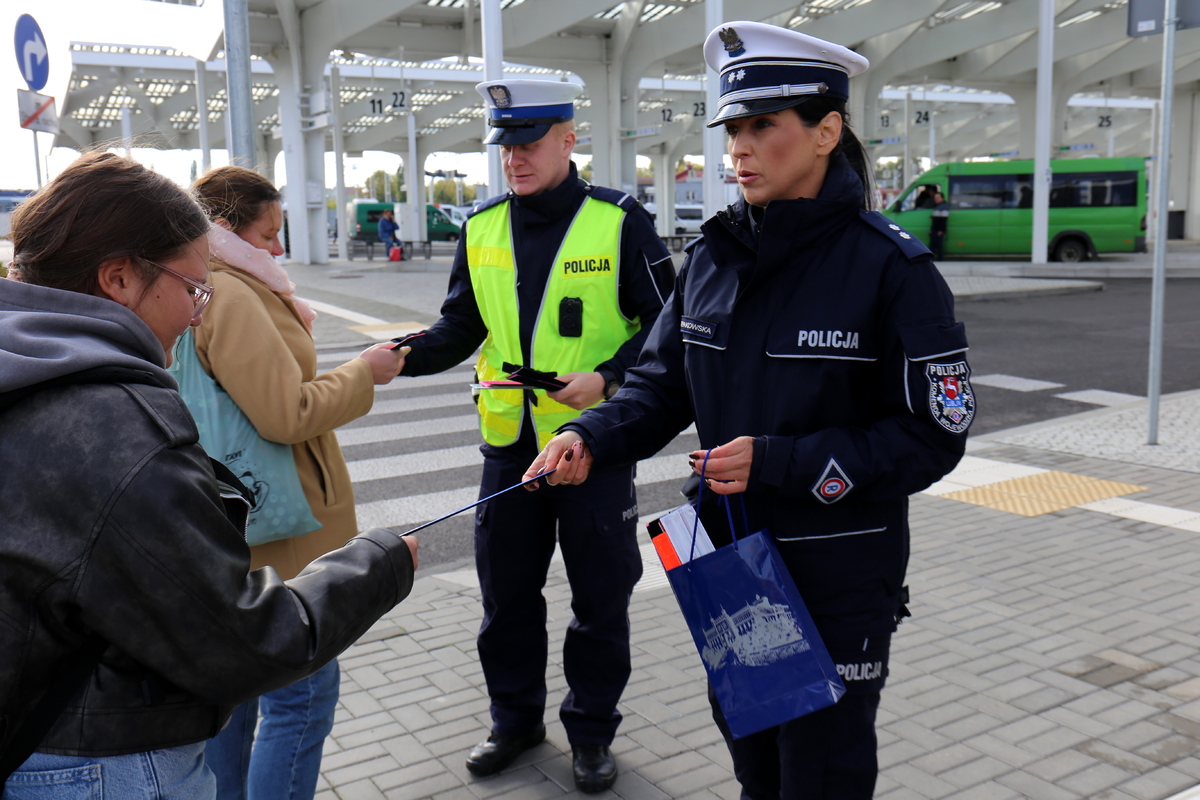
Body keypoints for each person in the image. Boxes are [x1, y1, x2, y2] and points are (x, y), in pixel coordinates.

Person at [526, 21, 974, 800]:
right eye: (733, 129)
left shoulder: (893, 269)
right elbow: (659, 384)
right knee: (755, 765)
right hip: (730, 563)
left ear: (826, 132)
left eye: (763, 125)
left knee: (822, 775)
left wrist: (780, 462)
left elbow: (934, 434)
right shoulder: (710, 258)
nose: (739, 148)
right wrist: (588, 435)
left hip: (838, 573)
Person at [0, 151, 418, 798]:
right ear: (118, 277)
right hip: (108, 761)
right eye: (192, 290)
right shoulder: (114, 426)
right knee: (296, 704)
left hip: (36, 729)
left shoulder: (24, 367)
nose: (198, 315)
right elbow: (244, 643)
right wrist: (380, 562)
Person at [396, 78, 674, 793]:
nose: (514, 159)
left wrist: (607, 379)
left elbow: (667, 326)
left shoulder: (619, 220)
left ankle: (592, 733)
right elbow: (461, 325)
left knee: (600, 604)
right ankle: (514, 723)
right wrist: (400, 356)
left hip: (591, 451)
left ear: (568, 140)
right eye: (505, 147)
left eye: (529, 144)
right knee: (507, 603)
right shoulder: (482, 226)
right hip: (511, 452)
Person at [187, 166, 400, 800]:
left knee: (234, 701)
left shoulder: (194, 284)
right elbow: (286, 414)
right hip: (279, 527)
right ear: (223, 228)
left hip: (227, 517)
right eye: (269, 232)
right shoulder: (231, 293)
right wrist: (363, 373)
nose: (280, 247)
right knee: (300, 699)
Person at [930, 191, 950, 260]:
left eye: (938, 198)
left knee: (939, 245)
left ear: (942, 198)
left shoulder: (944, 207)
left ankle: (940, 259)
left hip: (939, 230)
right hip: (935, 229)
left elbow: (944, 220)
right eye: (935, 198)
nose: (936, 199)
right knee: (933, 245)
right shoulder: (937, 206)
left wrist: (941, 230)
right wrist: (932, 229)